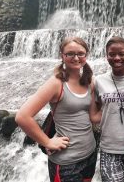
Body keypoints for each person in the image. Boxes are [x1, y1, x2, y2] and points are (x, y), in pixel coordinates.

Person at [15, 37, 97, 182]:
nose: (76, 57)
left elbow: (94, 117)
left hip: (90, 154)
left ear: (86, 55)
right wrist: (47, 142)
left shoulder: (89, 80)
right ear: (62, 56)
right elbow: (22, 116)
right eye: (70, 54)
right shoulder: (56, 83)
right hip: (66, 162)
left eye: (80, 53)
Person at [90, 36, 124, 182]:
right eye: (112, 54)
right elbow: (94, 114)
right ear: (106, 56)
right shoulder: (99, 81)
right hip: (109, 148)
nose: (117, 58)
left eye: (122, 54)